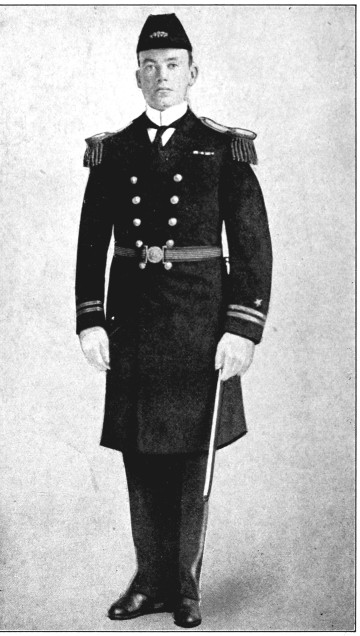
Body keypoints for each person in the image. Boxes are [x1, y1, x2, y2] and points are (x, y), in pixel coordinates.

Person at [75, 13, 272, 629]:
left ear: (193, 73)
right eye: (151, 66)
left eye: (173, 65)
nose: (162, 76)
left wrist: (242, 328)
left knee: (190, 457)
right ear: (137, 75)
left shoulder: (222, 148)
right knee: (139, 453)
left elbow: (253, 246)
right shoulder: (114, 151)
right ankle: (147, 579)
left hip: (200, 324)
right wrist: (90, 319)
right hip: (132, 322)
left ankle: (184, 584)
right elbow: (90, 243)